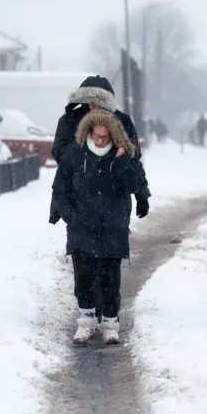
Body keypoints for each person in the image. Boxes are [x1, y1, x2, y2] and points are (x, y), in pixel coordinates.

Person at [51, 109, 140, 345]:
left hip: (113, 227)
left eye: (105, 137)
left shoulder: (121, 156)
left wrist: (122, 162)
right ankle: (86, 322)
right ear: (89, 132)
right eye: (97, 136)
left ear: (113, 136)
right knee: (84, 277)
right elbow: (60, 190)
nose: (100, 141)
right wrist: (71, 216)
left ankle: (110, 323)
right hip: (82, 228)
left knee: (110, 278)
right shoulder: (74, 154)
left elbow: (133, 186)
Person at [50, 75, 151, 224]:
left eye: (98, 100)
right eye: (88, 99)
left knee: (114, 244)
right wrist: (84, 155)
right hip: (80, 200)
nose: (92, 104)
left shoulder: (121, 121)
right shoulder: (70, 120)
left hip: (115, 200)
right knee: (80, 243)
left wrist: (141, 194)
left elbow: (134, 160)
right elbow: (59, 153)